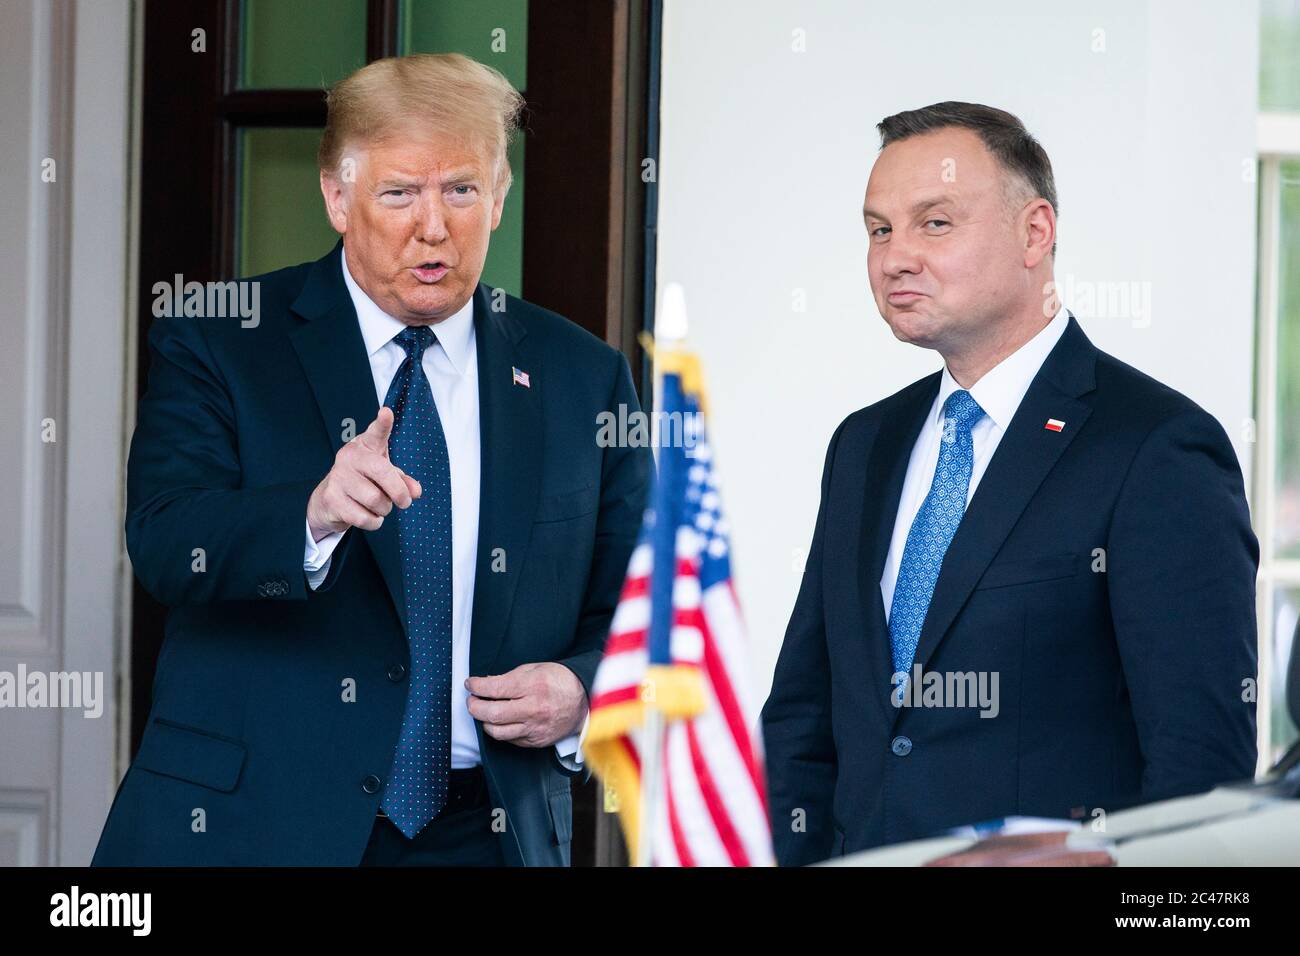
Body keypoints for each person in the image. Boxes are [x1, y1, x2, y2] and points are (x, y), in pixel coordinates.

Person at [92, 53, 651, 866]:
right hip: (255, 826)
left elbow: (641, 599)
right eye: (398, 193)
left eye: (462, 189)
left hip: (487, 834)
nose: (434, 227)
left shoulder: (583, 377)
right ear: (336, 197)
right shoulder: (220, 339)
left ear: (499, 198)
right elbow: (167, 542)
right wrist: (311, 514)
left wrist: (583, 690)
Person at [761, 101, 1259, 866]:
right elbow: (805, 716)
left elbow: (1198, 768)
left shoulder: (1154, 447)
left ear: (1035, 232)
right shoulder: (864, 444)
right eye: (878, 229)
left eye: (934, 222)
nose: (895, 257)